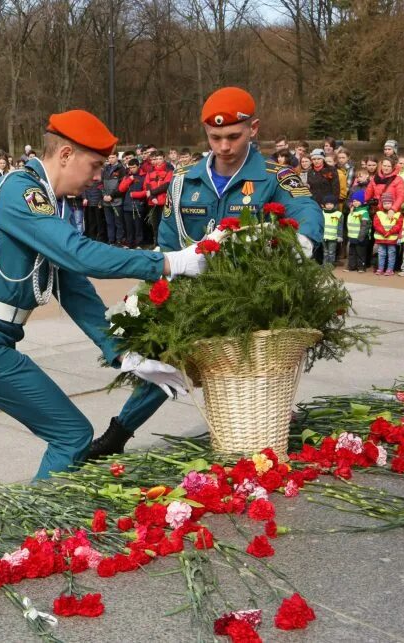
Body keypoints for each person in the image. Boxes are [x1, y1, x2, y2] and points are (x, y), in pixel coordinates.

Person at [0, 109, 209, 515]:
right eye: (95, 165)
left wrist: (126, 355)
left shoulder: (44, 201)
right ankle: (31, 524)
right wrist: (170, 263)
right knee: (72, 433)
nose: (98, 178)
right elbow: (78, 255)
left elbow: (74, 287)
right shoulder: (19, 190)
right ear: (65, 154)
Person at [89, 86, 324, 459]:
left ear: (254, 129)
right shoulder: (184, 180)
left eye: (234, 136)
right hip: (193, 293)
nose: (224, 146)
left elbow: (307, 213)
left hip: (249, 296)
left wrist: (301, 241)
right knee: (166, 360)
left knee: (253, 363)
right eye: (215, 137)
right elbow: (167, 240)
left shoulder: (276, 177)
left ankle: (263, 424)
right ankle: (120, 432)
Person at [373, 193, 402, 276]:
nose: (387, 205)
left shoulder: (397, 214)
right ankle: (381, 268)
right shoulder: (379, 213)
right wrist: (384, 232)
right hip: (381, 238)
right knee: (381, 254)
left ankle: (390, 269)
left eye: (389, 203)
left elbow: (398, 225)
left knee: (391, 254)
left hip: (392, 239)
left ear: (393, 203)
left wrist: (390, 232)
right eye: (385, 203)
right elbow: (376, 224)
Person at [344, 190, 370, 273]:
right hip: (352, 236)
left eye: (357, 201)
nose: (355, 203)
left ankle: (361, 267)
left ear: (362, 201)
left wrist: (361, 236)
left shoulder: (364, 212)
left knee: (360, 253)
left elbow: (364, 226)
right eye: (354, 201)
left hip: (360, 237)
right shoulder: (352, 211)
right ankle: (351, 266)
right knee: (352, 253)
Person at [321, 195, 342, 266]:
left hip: (333, 237)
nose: (329, 205)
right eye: (327, 204)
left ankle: (330, 265)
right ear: (324, 205)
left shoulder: (338, 214)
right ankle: (324, 264)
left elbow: (340, 226)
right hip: (323, 236)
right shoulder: (322, 213)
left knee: (331, 252)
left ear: (334, 205)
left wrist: (339, 236)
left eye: (331, 204)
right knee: (325, 252)